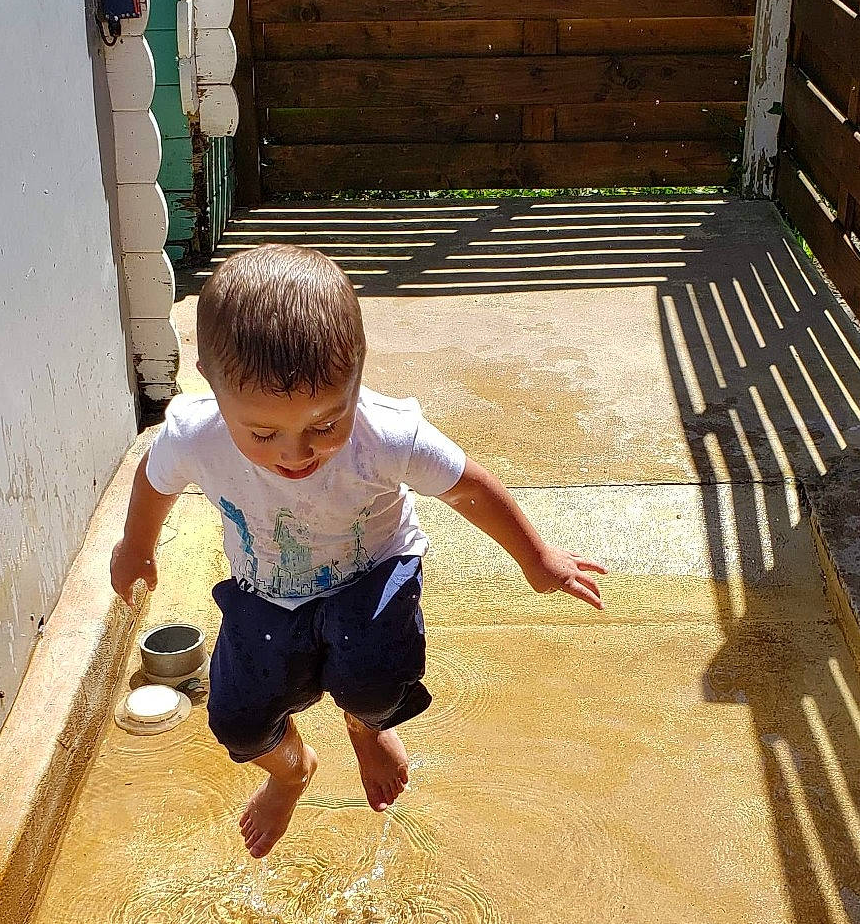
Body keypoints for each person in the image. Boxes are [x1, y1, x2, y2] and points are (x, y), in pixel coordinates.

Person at [109, 244, 605, 857]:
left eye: (324, 423)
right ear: (211, 382)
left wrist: (536, 560)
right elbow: (153, 482)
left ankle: (363, 726)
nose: (297, 453)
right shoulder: (195, 435)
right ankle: (291, 771)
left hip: (372, 574)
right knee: (236, 720)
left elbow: (470, 488)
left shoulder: (385, 436)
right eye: (264, 434)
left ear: (358, 374)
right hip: (266, 593)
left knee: (374, 680)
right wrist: (135, 547)